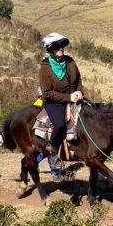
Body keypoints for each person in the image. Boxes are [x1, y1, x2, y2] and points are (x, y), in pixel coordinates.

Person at [39, 33, 82, 170]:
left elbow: (78, 78)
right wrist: (68, 98)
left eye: (62, 46)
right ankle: (52, 152)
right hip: (54, 102)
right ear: (50, 49)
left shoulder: (70, 61)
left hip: (74, 96)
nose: (61, 48)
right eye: (57, 46)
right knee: (59, 125)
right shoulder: (45, 68)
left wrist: (79, 91)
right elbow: (47, 93)